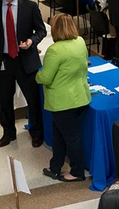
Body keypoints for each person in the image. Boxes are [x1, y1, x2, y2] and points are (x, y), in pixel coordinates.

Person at [0, 0, 46, 148]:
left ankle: (36, 133)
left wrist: (31, 42)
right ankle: (8, 133)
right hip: (3, 61)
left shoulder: (30, 7)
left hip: (25, 60)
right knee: (5, 100)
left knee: (33, 100)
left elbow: (41, 31)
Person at [35, 14, 90, 182]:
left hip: (62, 102)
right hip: (80, 96)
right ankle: (55, 167)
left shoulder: (55, 50)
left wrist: (37, 74)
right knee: (59, 134)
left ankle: (77, 172)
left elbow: (46, 77)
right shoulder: (80, 41)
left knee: (71, 138)